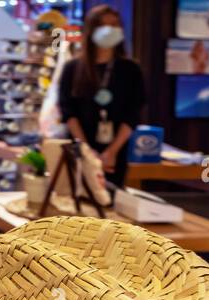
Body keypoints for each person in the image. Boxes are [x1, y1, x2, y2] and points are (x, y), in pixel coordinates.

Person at [57, 5, 146, 189]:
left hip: (116, 152)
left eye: (114, 24)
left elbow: (133, 113)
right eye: (102, 25)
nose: (108, 30)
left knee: (109, 203)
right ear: (91, 30)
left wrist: (112, 151)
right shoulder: (72, 68)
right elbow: (68, 111)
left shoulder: (131, 70)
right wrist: (86, 150)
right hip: (79, 149)